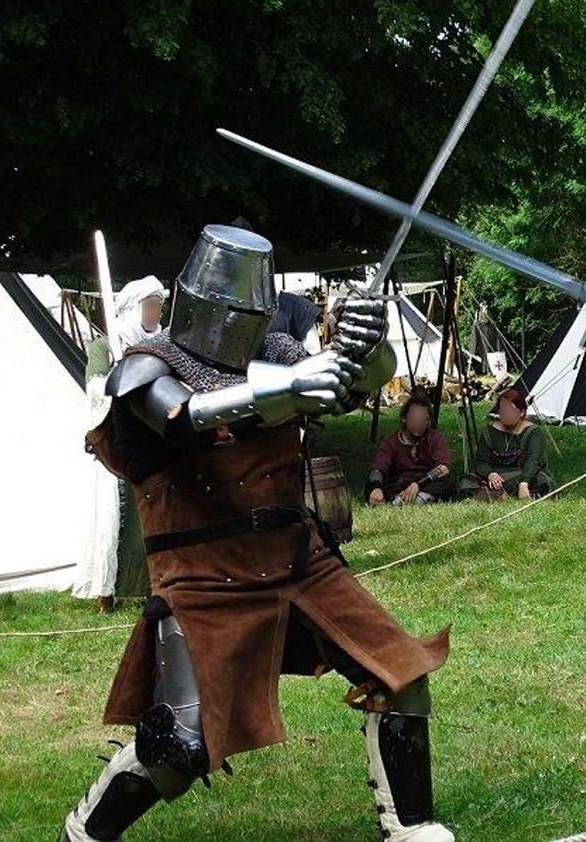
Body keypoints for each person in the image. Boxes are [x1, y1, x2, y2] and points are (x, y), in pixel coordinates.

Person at [63, 225, 453, 842]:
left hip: (299, 560)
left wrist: (371, 347)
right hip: (203, 575)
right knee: (179, 744)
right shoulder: (146, 366)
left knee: (398, 673)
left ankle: (409, 828)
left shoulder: (277, 355)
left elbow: (355, 386)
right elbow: (181, 416)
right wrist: (288, 387)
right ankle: (86, 831)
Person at [77, 278, 170, 606]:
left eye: (158, 305)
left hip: (153, 439)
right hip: (116, 444)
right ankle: (107, 594)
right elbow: (95, 388)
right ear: (133, 308)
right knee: (113, 520)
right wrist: (121, 378)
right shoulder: (105, 346)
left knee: (156, 516)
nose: (155, 312)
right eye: (149, 305)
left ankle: (155, 587)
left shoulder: (163, 344)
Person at [457, 389, 553, 500]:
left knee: (540, 479)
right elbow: (482, 462)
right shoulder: (489, 432)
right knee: (466, 482)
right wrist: (490, 474)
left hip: (523, 474)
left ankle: (495, 495)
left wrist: (524, 483)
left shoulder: (533, 432)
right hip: (498, 477)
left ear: (521, 412)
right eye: (503, 409)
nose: (505, 413)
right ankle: (498, 494)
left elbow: (534, 460)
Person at [368, 394, 453, 505]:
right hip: (399, 485)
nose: (420, 422)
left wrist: (418, 484)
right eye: (415, 418)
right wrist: (376, 489)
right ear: (404, 418)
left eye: (424, 419)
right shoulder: (391, 442)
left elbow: (443, 467)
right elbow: (378, 468)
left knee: (444, 482)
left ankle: (418, 499)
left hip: (425, 484)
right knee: (374, 484)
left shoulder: (435, 438)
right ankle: (397, 500)